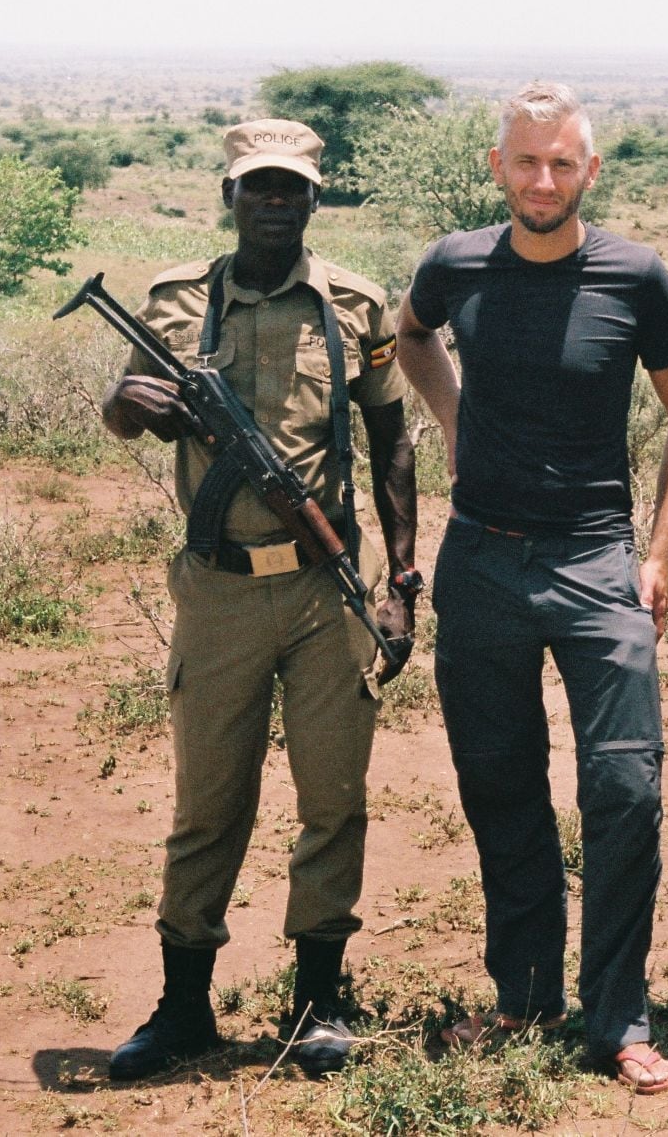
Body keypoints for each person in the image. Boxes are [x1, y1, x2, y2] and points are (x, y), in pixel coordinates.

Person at [394, 82, 668, 1096]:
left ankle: (618, 1014)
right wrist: (455, 426)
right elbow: (411, 336)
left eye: (562, 163)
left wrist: (655, 554)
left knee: (625, 786)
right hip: (480, 556)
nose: (543, 179)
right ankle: (525, 996)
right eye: (526, 161)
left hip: (595, 560)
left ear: (589, 171)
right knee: (501, 781)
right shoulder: (454, 264)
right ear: (498, 168)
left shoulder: (636, 277)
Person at [99, 119, 420, 1081]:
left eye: (291, 189)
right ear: (228, 195)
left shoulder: (357, 307)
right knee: (209, 803)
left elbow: (393, 441)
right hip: (221, 591)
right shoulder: (175, 304)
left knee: (334, 800)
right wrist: (130, 404)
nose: (274, 202)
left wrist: (401, 581)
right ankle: (184, 1006)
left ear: (314, 199)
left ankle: (319, 1001)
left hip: (328, 591)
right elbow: (124, 415)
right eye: (257, 188)